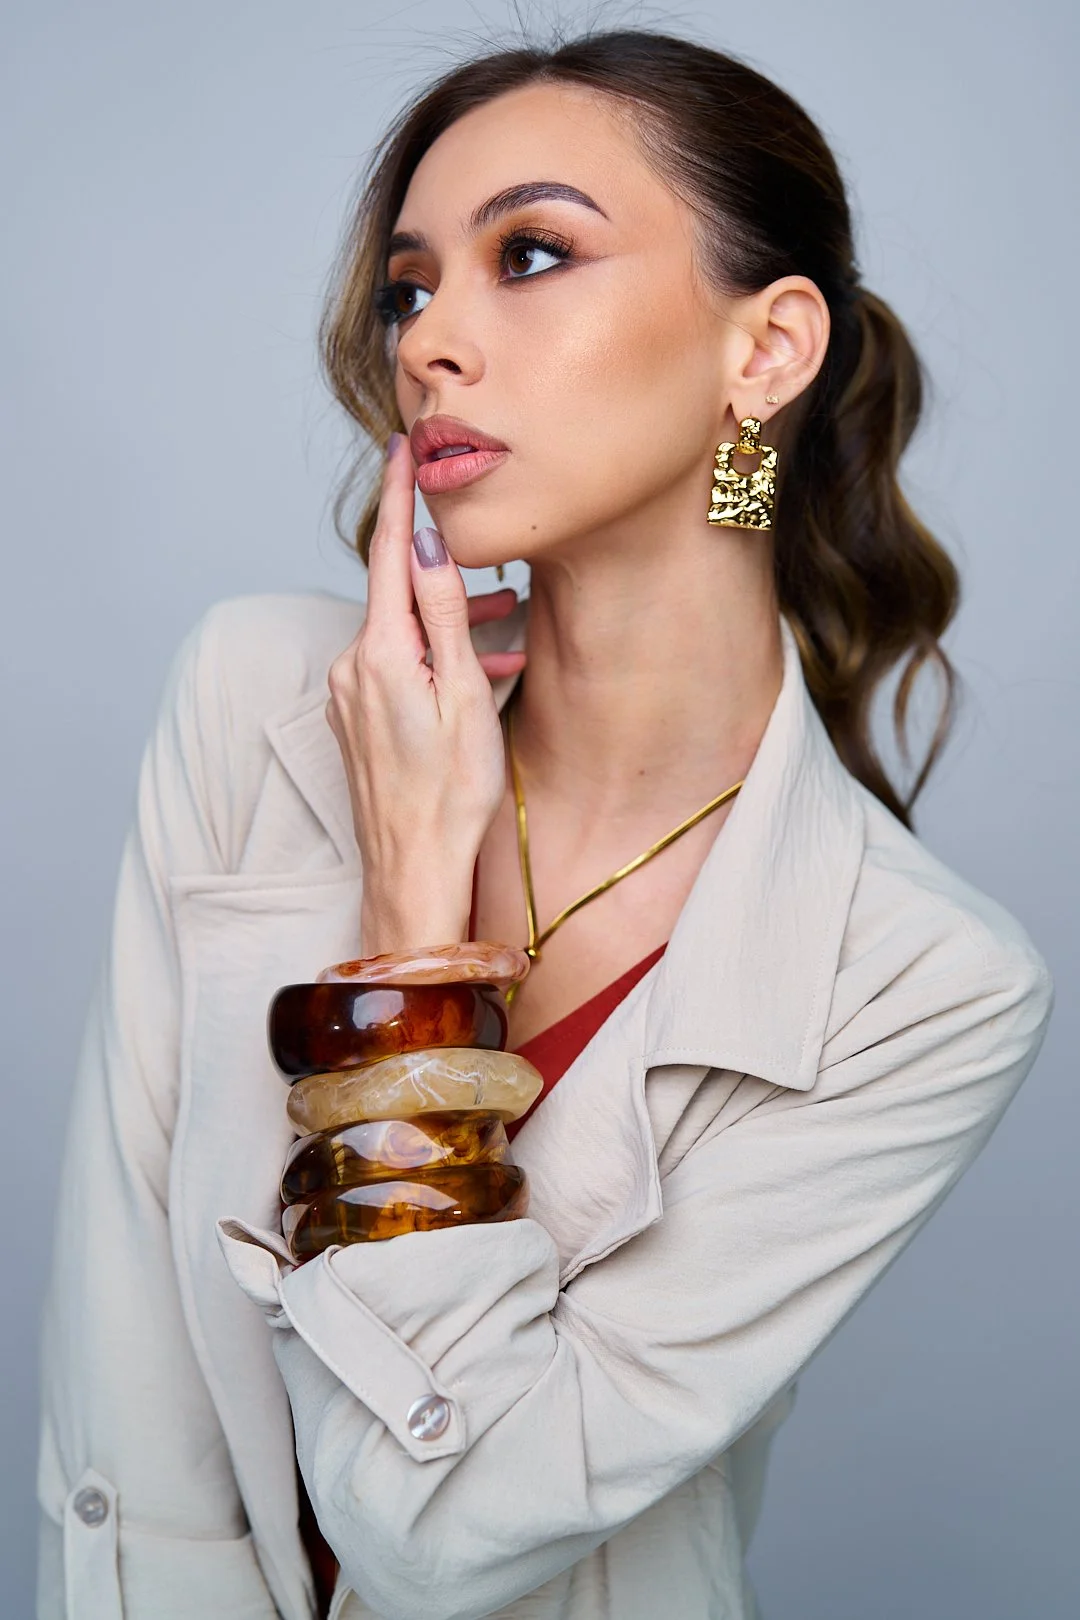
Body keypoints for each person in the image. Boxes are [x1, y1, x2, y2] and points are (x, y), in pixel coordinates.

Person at [37, 27, 1054, 1620]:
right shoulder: (256, 705)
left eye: (530, 254)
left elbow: (443, 1526)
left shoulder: (924, 984)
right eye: (408, 285)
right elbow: (132, 1422)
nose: (432, 338)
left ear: (767, 352)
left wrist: (415, 945)